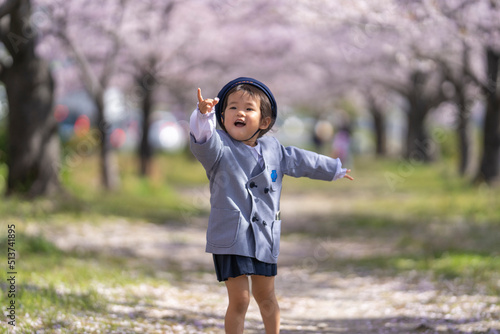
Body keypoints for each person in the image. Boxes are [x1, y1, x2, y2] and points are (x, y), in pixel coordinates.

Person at [189, 77, 353, 333]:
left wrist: (334, 169)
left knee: (266, 298)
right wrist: (203, 115)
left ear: (264, 122)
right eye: (231, 107)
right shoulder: (219, 149)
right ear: (222, 117)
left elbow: (300, 160)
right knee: (240, 300)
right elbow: (203, 139)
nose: (239, 112)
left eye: (248, 108)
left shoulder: (273, 148)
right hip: (232, 235)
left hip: (264, 234)